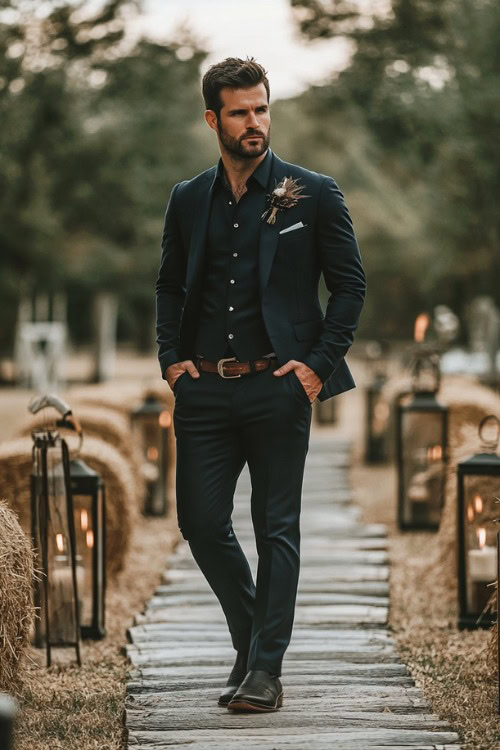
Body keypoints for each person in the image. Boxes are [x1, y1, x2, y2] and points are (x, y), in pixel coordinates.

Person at [155, 56, 366, 712]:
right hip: (205, 391)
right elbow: (168, 284)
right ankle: (252, 645)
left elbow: (350, 286)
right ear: (213, 119)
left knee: (276, 528)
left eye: (263, 108)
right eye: (241, 111)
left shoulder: (313, 193)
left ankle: (265, 673)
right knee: (201, 521)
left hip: (279, 387)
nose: (256, 122)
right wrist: (171, 359)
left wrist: (316, 366)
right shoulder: (189, 199)